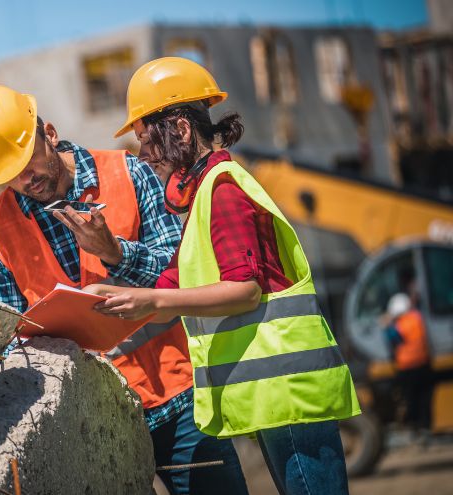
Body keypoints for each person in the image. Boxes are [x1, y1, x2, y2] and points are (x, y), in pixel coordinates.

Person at [87, 57, 361, 495]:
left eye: (146, 140)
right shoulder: (203, 194)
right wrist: (104, 302)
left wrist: (153, 303)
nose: (143, 156)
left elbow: (244, 290)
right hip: (275, 398)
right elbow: (171, 286)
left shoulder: (224, 188)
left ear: (178, 129)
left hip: (289, 396)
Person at [0, 84, 248, 494]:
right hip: (88, 422)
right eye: (9, 175)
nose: (26, 179)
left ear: (51, 134)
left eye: (28, 162)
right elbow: (6, 342)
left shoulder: (129, 173)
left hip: (176, 396)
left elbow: (182, 276)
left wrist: (115, 254)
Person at [384, 293, 433, 436]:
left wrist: (387, 326)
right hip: (423, 363)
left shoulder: (400, 324)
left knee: (411, 399)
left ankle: (415, 428)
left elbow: (394, 338)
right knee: (424, 398)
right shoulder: (417, 317)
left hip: (407, 367)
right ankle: (425, 427)